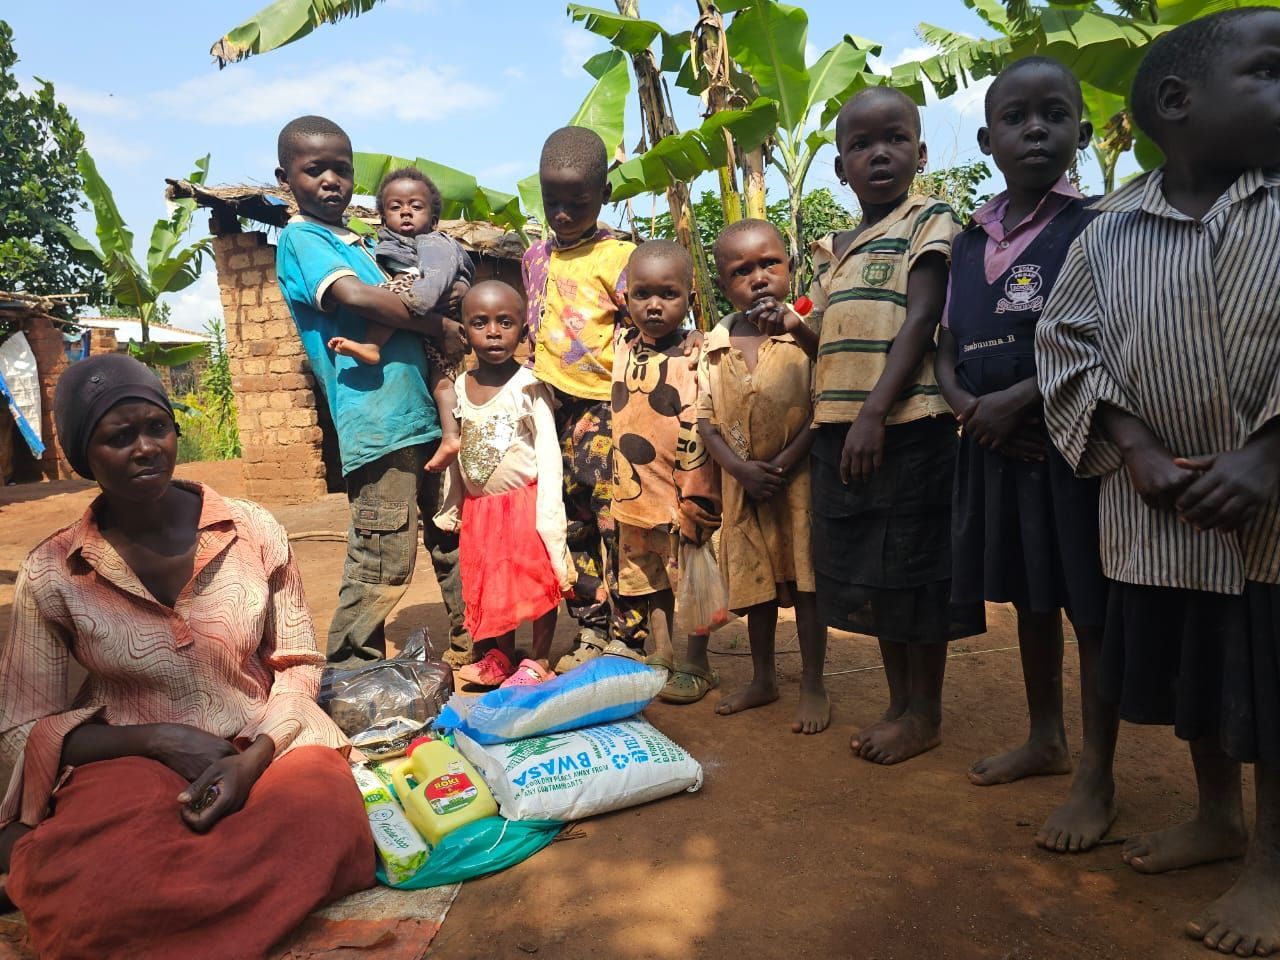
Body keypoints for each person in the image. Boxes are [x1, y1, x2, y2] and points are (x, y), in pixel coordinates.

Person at [1038, 10, 1280, 955]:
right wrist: (1132, 447)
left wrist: (1267, 455)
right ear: (1178, 104)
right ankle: (1218, 816)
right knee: (1201, 677)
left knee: (1271, 681)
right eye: (1269, 70)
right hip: (1161, 506)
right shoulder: (1106, 231)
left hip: (1268, 511)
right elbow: (1067, 345)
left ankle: (1269, 869)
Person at [0, 355, 373, 959]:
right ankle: (58, 860)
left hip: (266, 739)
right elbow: (23, 725)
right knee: (100, 887)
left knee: (325, 825)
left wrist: (252, 762)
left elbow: (299, 666)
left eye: (157, 428)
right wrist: (156, 741)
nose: (145, 448)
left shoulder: (251, 529)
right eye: (118, 438)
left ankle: (112, 889)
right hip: (127, 756)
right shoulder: (54, 570)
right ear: (80, 456)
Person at [934, 56, 1121, 854]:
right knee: (1030, 598)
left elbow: (1119, 339)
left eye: (1055, 113)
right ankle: (1045, 736)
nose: (1036, 128)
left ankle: (1098, 776)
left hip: (1067, 451)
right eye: (1017, 118)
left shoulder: (1101, 228)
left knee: (1090, 608)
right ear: (988, 138)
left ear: (1082, 129)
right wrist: (967, 402)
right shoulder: (971, 235)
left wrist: (1025, 397)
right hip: (991, 446)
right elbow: (944, 346)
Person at [807, 87, 985, 765]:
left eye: (894, 139)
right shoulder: (830, 248)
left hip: (905, 426)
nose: (879, 153)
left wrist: (875, 412)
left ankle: (925, 714)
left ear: (920, 152)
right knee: (872, 573)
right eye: (861, 144)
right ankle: (897, 702)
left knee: (914, 571)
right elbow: (828, 331)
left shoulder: (929, 218)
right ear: (840, 167)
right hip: (841, 431)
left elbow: (920, 319)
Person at [273, 115, 470, 668]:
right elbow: (358, 299)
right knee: (383, 555)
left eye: (342, 169)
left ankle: (472, 646)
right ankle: (351, 668)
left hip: (423, 415)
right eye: (315, 170)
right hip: (378, 423)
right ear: (285, 177)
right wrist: (435, 326)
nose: (331, 181)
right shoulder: (301, 238)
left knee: (451, 540)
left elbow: (415, 291)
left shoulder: (361, 240)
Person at [696, 218, 829, 734]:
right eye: (741, 270)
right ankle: (763, 677)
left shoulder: (805, 331)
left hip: (799, 487)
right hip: (744, 489)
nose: (758, 277)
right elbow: (704, 420)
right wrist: (740, 470)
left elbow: (826, 401)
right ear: (724, 285)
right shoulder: (717, 343)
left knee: (808, 582)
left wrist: (787, 460)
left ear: (790, 266)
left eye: (769, 264)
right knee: (757, 588)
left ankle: (814, 682)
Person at [522, 126, 639, 673]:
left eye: (578, 201)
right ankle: (590, 630)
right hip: (551, 410)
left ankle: (629, 633)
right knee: (569, 521)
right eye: (553, 202)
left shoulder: (619, 257)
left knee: (613, 518)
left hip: (605, 408)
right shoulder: (535, 258)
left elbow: (644, 330)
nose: (564, 213)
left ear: (604, 197)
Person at [435, 281, 574, 688]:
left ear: (523, 330)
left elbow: (548, 449)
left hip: (525, 505)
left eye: (505, 322)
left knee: (535, 580)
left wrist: (549, 508)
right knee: (493, 581)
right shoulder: (461, 386)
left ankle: (539, 658)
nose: (493, 332)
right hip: (483, 511)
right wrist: (456, 506)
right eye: (480, 323)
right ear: (465, 333)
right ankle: (500, 655)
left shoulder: (528, 386)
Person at [611, 240, 721, 701]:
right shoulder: (621, 344)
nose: (653, 306)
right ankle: (662, 651)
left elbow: (704, 427)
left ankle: (697, 661)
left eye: (669, 294)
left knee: (689, 579)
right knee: (651, 577)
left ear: (690, 299)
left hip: (682, 497)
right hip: (634, 498)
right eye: (642, 294)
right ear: (626, 298)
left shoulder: (698, 353)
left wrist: (697, 500)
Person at [327, 167, 474, 474]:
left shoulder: (435, 241)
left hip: (430, 300)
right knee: (442, 380)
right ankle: (450, 436)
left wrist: (422, 296)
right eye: (396, 207)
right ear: (384, 219)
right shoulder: (384, 246)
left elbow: (437, 277)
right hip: (431, 322)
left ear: (433, 220)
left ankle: (371, 345)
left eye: (416, 207)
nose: (406, 212)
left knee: (389, 296)